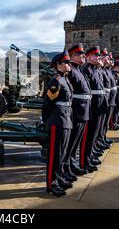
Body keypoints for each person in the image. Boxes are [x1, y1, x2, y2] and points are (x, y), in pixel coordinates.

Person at [42, 51, 73, 197]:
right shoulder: (55, 81)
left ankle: (59, 179)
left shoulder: (65, 79)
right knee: (55, 155)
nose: (69, 65)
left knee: (62, 153)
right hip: (57, 121)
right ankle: (51, 184)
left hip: (66, 119)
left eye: (68, 62)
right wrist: (47, 121)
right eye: (66, 62)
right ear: (58, 65)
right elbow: (47, 104)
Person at [65, 44, 91, 177]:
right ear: (73, 56)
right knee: (70, 143)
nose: (84, 56)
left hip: (83, 111)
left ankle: (72, 163)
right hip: (75, 111)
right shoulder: (70, 71)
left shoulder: (78, 70)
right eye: (81, 54)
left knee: (75, 143)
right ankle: (67, 166)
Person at [81, 47, 107, 172]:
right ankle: (84, 161)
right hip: (92, 106)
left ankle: (90, 156)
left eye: (99, 56)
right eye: (96, 56)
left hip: (99, 105)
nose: (98, 58)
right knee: (89, 136)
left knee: (95, 133)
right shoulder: (86, 69)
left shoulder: (96, 70)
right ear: (89, 57)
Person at [111, 60, 119, 130]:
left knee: (117, 109)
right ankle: (113, 124)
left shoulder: (118, 74)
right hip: (116, 93)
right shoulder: (113, 74)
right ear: (115, 67)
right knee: (115, 110)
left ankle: (115, 122)